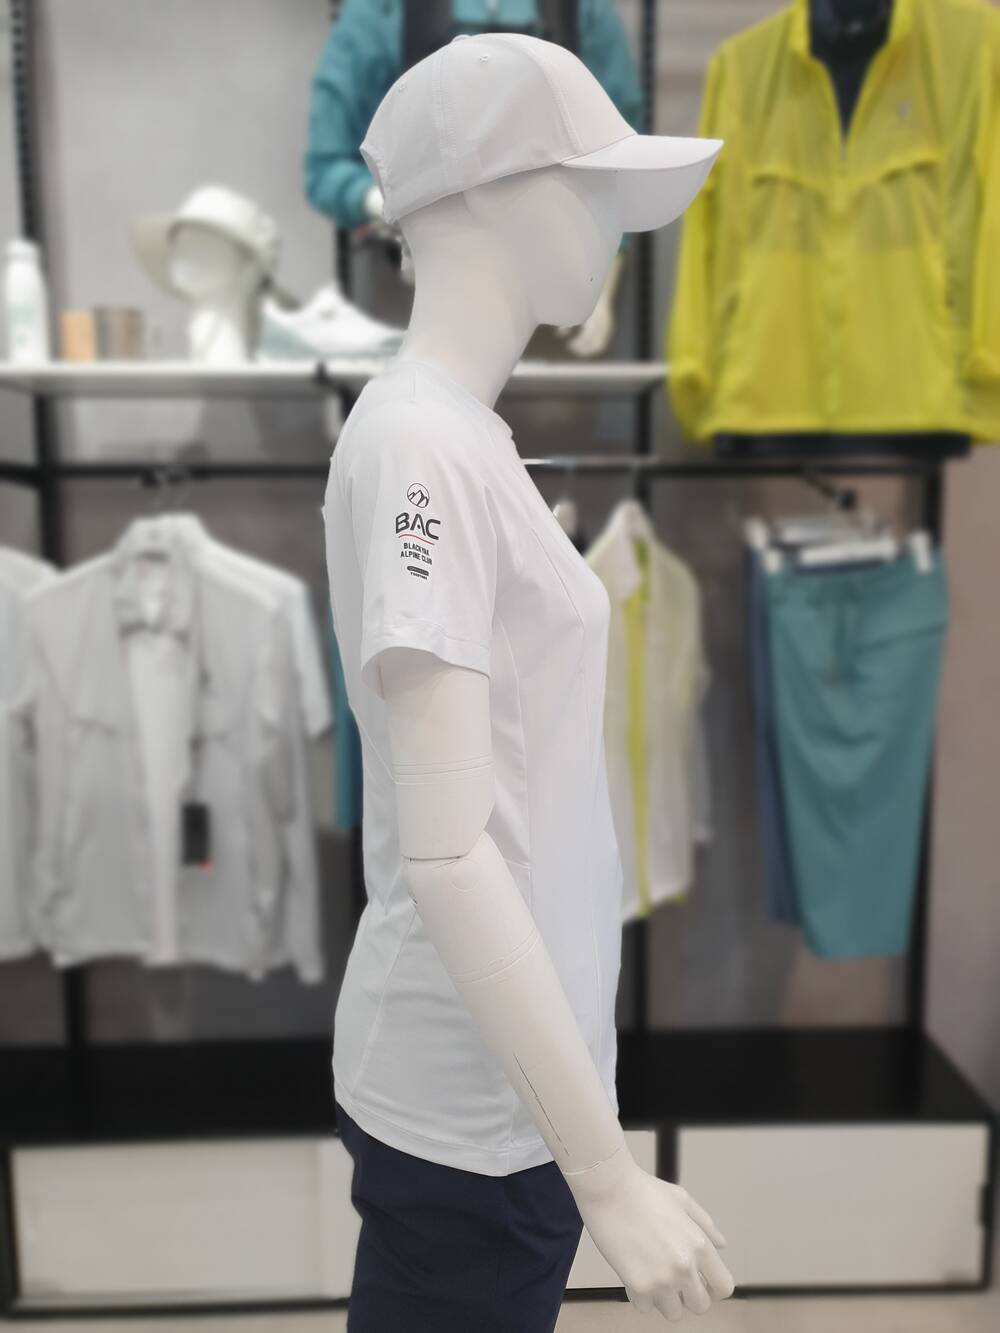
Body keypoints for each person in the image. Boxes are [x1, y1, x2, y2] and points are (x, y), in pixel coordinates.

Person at [322, 31, 731, 1329]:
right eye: (591, 186)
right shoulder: (422, 448)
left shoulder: (465, 438)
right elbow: (449, 855)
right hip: (470, 1108)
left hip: (519, 1088)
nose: (615, 225)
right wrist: (606, 1177)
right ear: (492, 192)